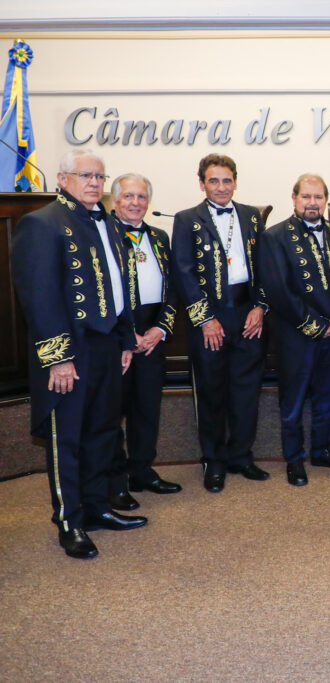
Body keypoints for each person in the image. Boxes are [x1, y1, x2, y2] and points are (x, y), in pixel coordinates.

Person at [12, 149, 145, 559]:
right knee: (66, 438)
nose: (94, 183)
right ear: (62, 178)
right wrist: (58, 357)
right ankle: (69, 522)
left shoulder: (105, 221)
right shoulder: (42, 223)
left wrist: (125, 340)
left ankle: (97, 507)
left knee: (103, 432)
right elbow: (39, 296)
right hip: (71, 349)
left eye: (99, 177)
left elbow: (119, 287)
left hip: (106, 346)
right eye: (85, 175)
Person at [170, 154, 269, 493]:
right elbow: (182, 272)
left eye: (227, 180)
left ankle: (241, 454)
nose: (221, 187)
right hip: (209, 318)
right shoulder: (186, 219)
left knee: (246, 390)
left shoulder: (252, 216)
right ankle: (213, 460)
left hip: (247, 314)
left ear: (235, 182)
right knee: (211, 391)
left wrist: (260, 307)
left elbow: (264, 266)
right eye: (214, 181)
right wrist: (205, 319)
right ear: (202, 184)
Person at [258, 174, 330, 486]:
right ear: (294, 198)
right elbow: (279, 290)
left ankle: (321, 449)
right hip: (295, 333)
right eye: (306, 197)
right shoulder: (275, 236)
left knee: (326, 395)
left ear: (325, 200)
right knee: (293, 400)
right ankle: (294, 458)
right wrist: (314, 325)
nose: (313, 203)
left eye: (318, 197)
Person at [108, 173, 181, 512]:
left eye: (141, 197)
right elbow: (101, 295)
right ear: (114, 200)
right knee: (113, 413)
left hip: (153, 336)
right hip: (116, 339)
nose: (135, 203)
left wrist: (160, 330)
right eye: (129, 197)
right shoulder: (102, 235)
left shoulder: (159, 237)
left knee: (147, 408)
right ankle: (115, 481)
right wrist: (128, 334)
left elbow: (172, 290)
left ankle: (142, 471)